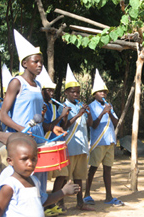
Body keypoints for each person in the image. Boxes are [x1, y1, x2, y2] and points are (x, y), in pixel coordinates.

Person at [0, 30, 67, 193]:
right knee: (25, 184)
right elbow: (3, 115)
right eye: (35, 62)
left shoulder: (38, 86)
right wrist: (22, 129)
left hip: (38, 140)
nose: (39, 65)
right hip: (21, 141)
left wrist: (50, 127)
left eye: (41, 62)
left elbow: (36, 118)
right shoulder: (17, 83)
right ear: (24, 63)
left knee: (39, 184)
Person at [0, 132, 80, 217]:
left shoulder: (34, 181)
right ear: (10, 161)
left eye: (34, 159)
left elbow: (43, 201)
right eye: (24, 159)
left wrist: (63, 192)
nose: (30, 163)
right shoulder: (10, 185)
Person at [83, 69, 124, 206]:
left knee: (108, 169)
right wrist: (102, 112)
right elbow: (93, 125)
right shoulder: (91, 107)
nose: (103, 94)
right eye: (100, 92)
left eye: (105, 92)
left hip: (110, 141)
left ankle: (109, 196)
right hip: (98, 142)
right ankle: (87, 194)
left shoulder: (109, 106)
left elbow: (116, 122)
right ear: (94, 94)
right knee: (93, 169)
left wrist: (109, 111)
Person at [58, 64, 95, 211]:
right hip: (69, 147)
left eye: (78, 92)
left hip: (81, 147)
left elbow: (90, 124)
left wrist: (88, 113)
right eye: (73, 92)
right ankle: (60, 203)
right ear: (66, 92)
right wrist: (78, 114)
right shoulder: (63, 107)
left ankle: (80, 203)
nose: (76, 94)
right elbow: (64, 127)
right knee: (65, 177)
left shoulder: (81, 105)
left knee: (79, 177)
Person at [37, 66, 70, 216]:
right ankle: (42, 206)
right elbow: (45, 127)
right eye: (48, 90)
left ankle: (50, 204)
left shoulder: (52, 106)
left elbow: (60, 126)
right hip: (41, 144)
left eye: (52, 90)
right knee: (39, 178)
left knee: (57, 175)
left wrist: (65, 116)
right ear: (41, 90)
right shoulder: (39, 105)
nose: (51, 93)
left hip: (53, 144)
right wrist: (60, 115)